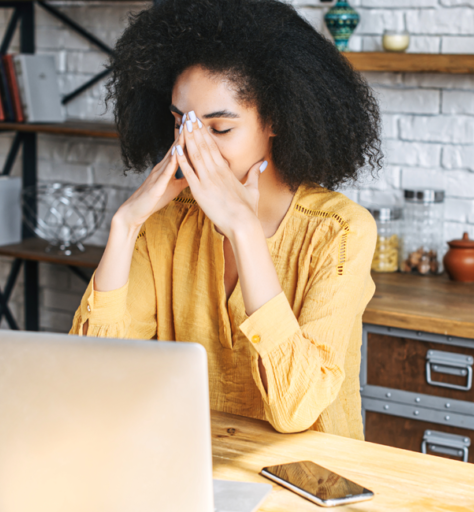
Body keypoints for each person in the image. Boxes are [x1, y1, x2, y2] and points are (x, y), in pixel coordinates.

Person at [69, 0, 382, 440]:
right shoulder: (165, 220)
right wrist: (125, 224)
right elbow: (93, 378)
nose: (194, 147)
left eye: (218, 129)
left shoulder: (341, 231)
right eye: (181, 123)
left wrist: (244, 230)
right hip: (190, 470)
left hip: (308, 487)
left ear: (275, 120)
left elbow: (295, 408)